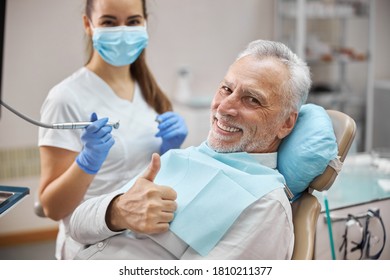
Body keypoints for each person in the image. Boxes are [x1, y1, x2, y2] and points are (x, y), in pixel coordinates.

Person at [69, 39, 312, 260]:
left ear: (285, 123)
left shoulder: (265, 205)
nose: (224, 108)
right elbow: (77, 226)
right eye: (226, 89)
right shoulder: (178, 158)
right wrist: (118, 211)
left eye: (252, 99)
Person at [38, 0, 188, 260]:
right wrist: (87, 162)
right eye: (109, 22)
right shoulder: (64, 98)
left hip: (144, 228)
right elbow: (52, 207)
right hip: (93, 238)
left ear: (145, 23)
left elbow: (153, 172)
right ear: (88, 24)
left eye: (132, 22)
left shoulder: (151, 92)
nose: (122, 31)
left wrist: (170, 151)